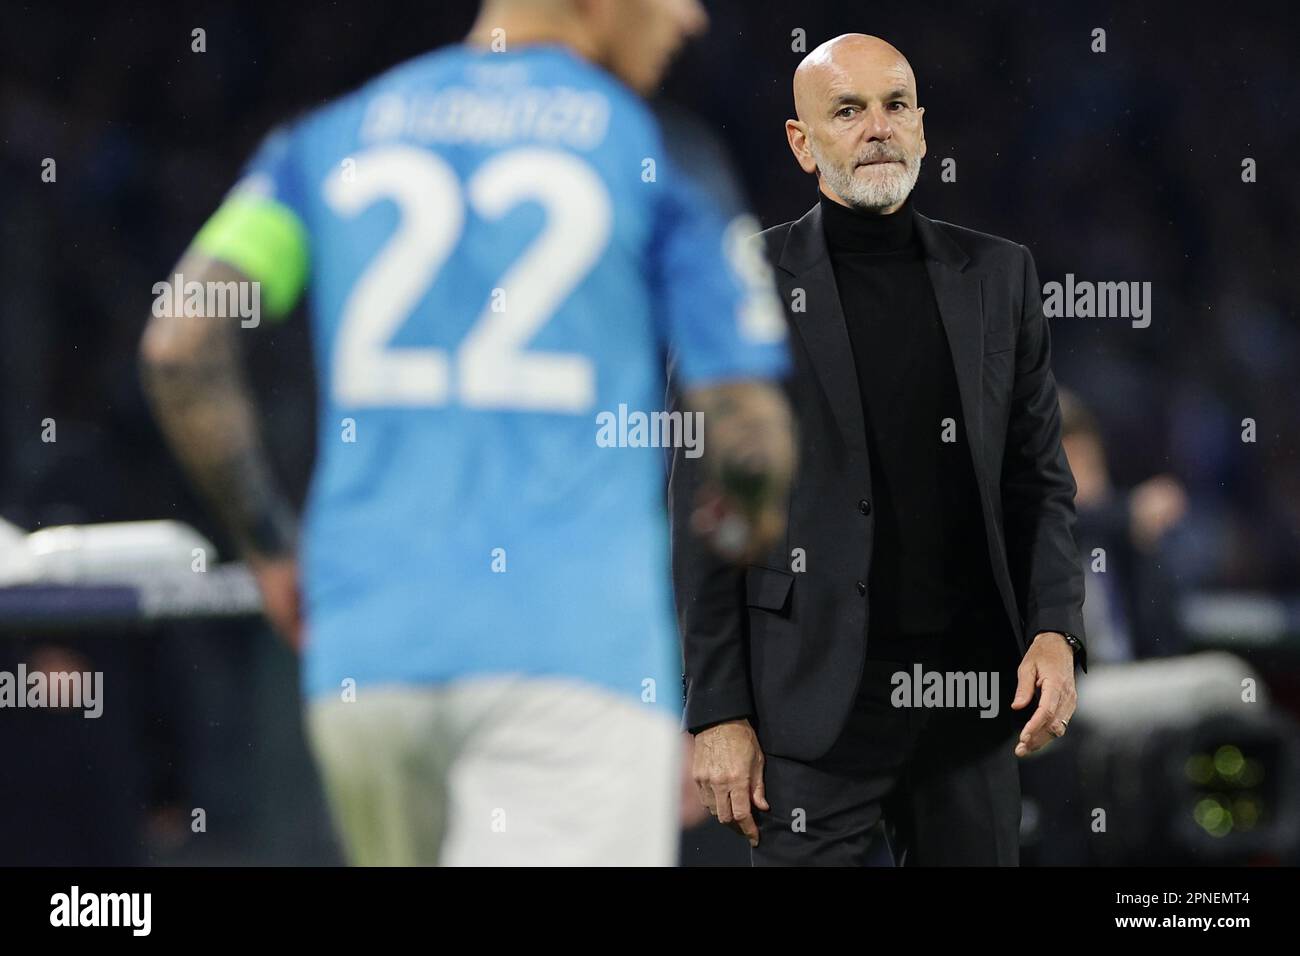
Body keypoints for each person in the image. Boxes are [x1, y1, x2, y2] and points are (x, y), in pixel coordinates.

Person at [140, 0, 795, 866]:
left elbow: (181, 342)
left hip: (365, 663)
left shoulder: (329, 139)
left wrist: (268, 546)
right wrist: (749, 518)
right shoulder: (659, 154)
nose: (689, 18)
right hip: (568, 667)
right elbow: (750, 441)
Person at [672, 33, 1086, 866]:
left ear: (923, 126)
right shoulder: (740, 284)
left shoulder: (1000, 275)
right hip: (811, 715)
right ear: (802, 141)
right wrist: (717, 711)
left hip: (970, 706)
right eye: (849, 110)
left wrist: (1056, 630)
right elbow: (709, 513)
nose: (878, 128)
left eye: (896, 106)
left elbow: (1037, 480)